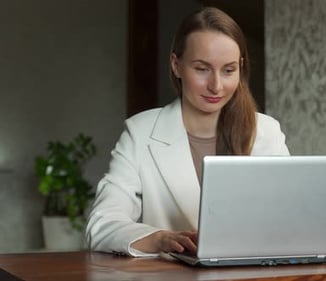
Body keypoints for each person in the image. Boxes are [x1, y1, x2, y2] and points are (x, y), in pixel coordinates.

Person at [85, 6, 289, 257]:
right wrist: (159, 239)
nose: (216, 86)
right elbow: (102, 224)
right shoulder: (140, 131)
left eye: (228, 70)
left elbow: (288, 219)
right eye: (202, 69)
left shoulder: (267, 131)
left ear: (241, 67)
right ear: (176, 65)